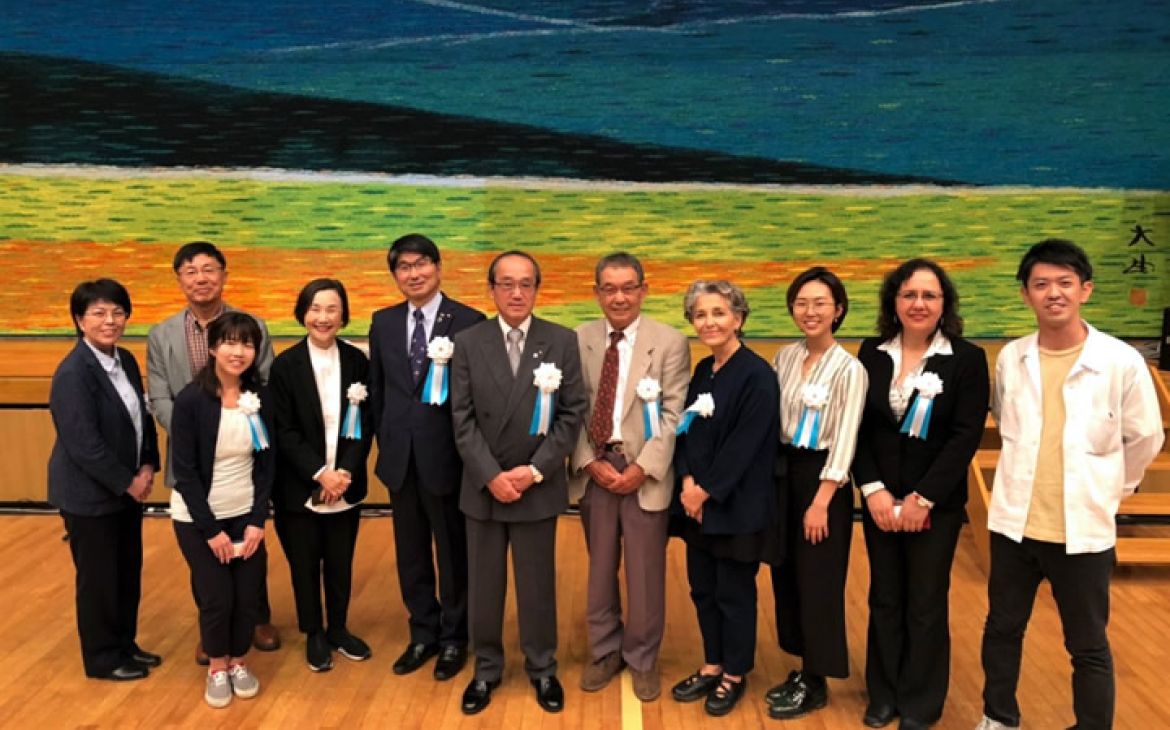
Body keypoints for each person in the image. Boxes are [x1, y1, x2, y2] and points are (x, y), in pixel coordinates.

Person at [976, 240, 1164, 730]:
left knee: (1087, 644)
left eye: (1064, 283)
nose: (1052, 293)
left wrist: (1114, 488)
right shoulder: (1012, 359)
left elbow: (1146, 435)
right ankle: (998, 717)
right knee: (1001, 629)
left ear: (1086, 289)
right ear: (1026, 295)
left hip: (1082, 530)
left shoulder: (1121, 361)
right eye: (1041, 284)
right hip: (1016, 524)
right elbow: (1006, 422)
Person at [852, 260, 989, 730]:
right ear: (894, 301)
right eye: (909, 294)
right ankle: (883, 692)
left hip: (935, 506)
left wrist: (922, 498)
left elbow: (965, 435)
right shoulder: (871, 352)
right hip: (878, 502)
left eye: (929, 295)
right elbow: (859, 428)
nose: (919, 304)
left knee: (926, 602)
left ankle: (920, 702)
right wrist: (872, 490)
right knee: (884, 598)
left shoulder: (967, 359)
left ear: (944, 303)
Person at [449, 250, 588, 715]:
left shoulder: (561, 340)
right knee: (484, 589)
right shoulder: (468, 342)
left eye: (525, 283)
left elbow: (572, 415)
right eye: (506, 283)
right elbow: (461, 418)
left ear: (536, 289)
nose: (516, 292)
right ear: (491, 289)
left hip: (535, 485)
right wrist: (491, 476)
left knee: (537, 586)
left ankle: (542, 667)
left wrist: (532, 472)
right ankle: (486, 668)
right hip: (485, 487)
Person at [146, 241, 280, 661]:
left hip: (244, 450)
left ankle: (255, 618)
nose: (200, 278)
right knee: (205, 549)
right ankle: (214, 627)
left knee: (250, 542)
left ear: (223, 274)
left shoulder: (252, 324)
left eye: (209, 269)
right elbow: (161, 397)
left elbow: (267, 384)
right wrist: (197, 432)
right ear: (179, 279)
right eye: (190, 271)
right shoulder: (162, 334)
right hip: (193, 459)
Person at [569, 252, 691, 702]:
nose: (618, 297)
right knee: (600, 569)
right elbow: (572, 409)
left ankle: (641, 657)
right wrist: (587, 460)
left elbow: (676, 412)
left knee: (645, 572)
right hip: (596, 470)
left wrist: (644, 467)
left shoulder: (671, 342)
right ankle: (604, 650)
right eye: (609, 288)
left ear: (643, 289)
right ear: (597, 292)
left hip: (645, 473)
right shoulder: (578, 338)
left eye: (627, 287)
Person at [367, 233, 485, 681]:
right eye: (403, 267)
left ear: (438, 267)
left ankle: (456, 638)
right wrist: (388, 439)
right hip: (400, 458)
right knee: (410, 553)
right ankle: (423, 632)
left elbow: (475, 398)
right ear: (395, 275)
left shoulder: (470, 322)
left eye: (421, 264)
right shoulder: (383, 323)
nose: (413, 273)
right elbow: (379, 391)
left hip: (448, 459)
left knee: (453, 552)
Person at [669, 280, 779, 717]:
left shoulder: (757, 375)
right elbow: (687, 431)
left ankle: (734, 672)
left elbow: (746, 445)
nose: (709, 321)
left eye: (718, 312)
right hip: (697, 505)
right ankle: (712, 662)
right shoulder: (703, 371)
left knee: (734, 593)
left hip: (736, 506)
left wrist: (707, 489)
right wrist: (687, 480)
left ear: (738, 318)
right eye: (700, 314)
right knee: (703, 589)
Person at [766, 267, 868, 720]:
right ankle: (803, 666)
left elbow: (846, 438)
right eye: (802, 303)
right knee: (786, 574)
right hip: (784, 474)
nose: (810, 312)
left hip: (823, 481)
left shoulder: (851, 369)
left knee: (819, 582)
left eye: (820, 303)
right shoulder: (785, 357)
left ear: (838, 310)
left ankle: (818, 679)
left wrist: (822, 501)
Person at [48, 279, 161, 681]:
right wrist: (126, 482)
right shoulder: (74, 373)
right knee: (98, 579)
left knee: (127, 570)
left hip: (127, 490)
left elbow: (141, 418)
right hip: (89, 496)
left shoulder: (125, 359)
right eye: (98, 313)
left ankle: (124, 644)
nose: (109, 321)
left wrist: (147, 466)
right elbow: (84, 445)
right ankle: (101, 658)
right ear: (80, 320)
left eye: (117, 312)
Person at [169, 312, 275, 708]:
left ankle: (238, 661)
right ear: (212, 348)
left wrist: (256, 521)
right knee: (217, 596)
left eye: (247, 344)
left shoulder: (258, 398)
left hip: (244, 512)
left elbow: (267, 464)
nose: (238, 351)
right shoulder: (191, 400)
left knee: (247, 595)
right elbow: (186, 472)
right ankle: (217, 665)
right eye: (229, 342)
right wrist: (211, 529)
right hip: (198, 517)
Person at [270, 279, 374, 672]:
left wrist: (344, 470)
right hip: (301, 485)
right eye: (315, 308)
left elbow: (365, 421)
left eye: (332, 309)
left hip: (346, 483)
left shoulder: (357, 361)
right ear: (302, 313)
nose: (323, 317)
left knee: (340, 560)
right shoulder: (285, 365)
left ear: (343, 315)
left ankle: (339, 628)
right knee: (304, 562)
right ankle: (313, 632)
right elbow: (284, 431)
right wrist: (320, 474)